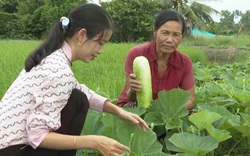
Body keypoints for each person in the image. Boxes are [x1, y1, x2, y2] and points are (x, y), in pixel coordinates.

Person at [0, 3, 149, 156]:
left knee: (78, 98)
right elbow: (37, 136)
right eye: (100, 42)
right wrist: (94, 141)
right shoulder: (59, 71)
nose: (101, 50)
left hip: (8, 146)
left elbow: (78, 88)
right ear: (81, 35)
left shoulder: (53, 56)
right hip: (11, 150)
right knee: (78, 100)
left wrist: (118, 111)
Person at [116, 9, 195, 110]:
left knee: (193, 116)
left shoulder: (184, 62)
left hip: (166, 110)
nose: (170, 40)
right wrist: (132, 90)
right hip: (135, 105)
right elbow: (130, 97)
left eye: (176, 35)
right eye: (165, 33)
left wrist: (169, 112)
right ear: (154, 32)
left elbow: (190, 99)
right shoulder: (136, 54)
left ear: (181, 36)